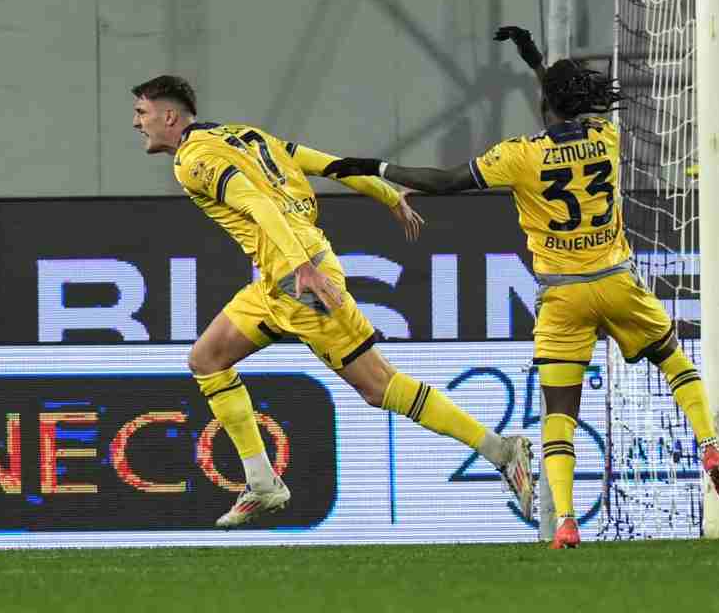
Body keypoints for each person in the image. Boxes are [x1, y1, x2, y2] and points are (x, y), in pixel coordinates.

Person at [324, 27, 719, 549]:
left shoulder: (520, 156)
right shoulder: (606, 138)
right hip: (616, 281)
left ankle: (565, 519)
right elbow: (568, 105)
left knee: (560, 414)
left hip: (563, 296)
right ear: (586, 102)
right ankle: (708, 444)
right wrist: (539, 63)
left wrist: (376, 167)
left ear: (545, 104)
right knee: (675, 362)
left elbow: (447, 181)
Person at [130, 75, 533, 528]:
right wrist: (382, 191)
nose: (135, 123)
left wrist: (301, 266)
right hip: (277, 280)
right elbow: (323, 162)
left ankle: (501, 451)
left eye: (142, 113)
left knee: (378, 386)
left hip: (300, 279)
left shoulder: (193, 161)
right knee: (207, 359)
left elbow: (260, 207)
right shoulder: (243, 135)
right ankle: (262, 482)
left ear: (169, 116)